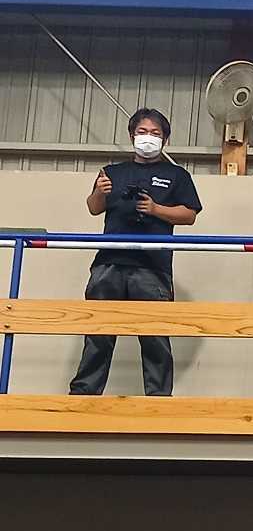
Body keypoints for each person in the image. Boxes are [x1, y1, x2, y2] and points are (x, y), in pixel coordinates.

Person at [69, 108, 202, 397]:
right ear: (132, 136)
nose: (148, 138)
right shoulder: (112, 172)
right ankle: (84, 396)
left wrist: (156, 209)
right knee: (98, 334)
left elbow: (189, 215)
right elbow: (93, 207)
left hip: (153, 266)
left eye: (155, 133)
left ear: (165, 139)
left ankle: (159, 399)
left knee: (155, 336)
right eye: (142, 132)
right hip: (108, 264)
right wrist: (100, 192)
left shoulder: (177, 175)